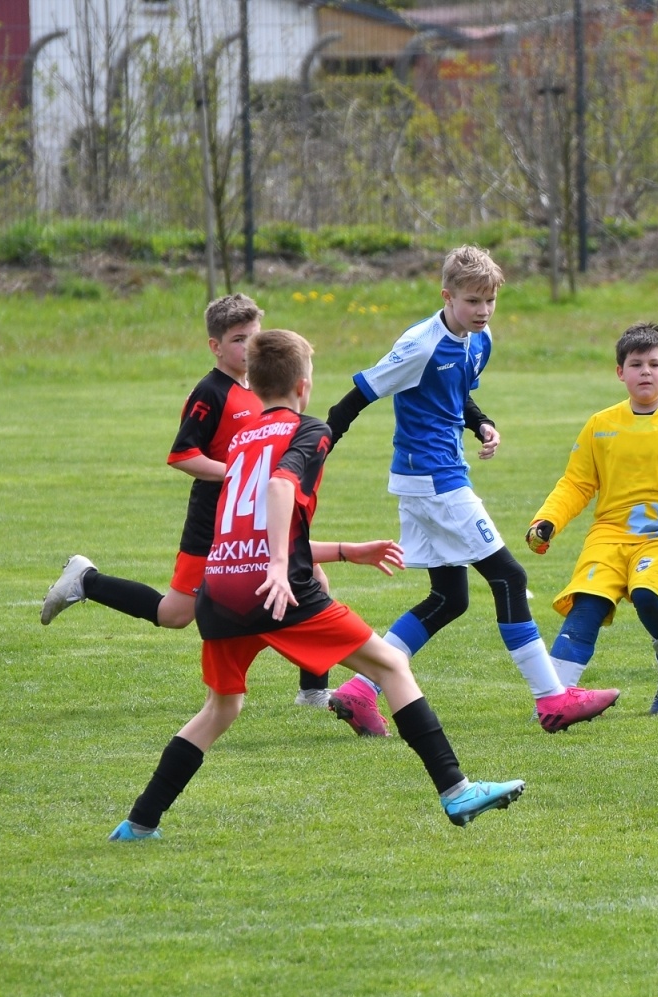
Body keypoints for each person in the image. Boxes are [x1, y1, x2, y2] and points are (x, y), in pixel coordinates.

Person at [108, 329, 525, 841]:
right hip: (273, 588)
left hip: (219, 586)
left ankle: (139, 822)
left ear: (255, 386)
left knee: (220, 709)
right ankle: (456, 790)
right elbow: (282, 488)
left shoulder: (240, 438)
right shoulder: (311, 430)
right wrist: (280, 568)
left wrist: (348, 551)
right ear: (304, 386)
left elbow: (252, 526)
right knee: (391, 664)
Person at [322, 246, 620, 737]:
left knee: (449, 597)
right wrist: (313, 451)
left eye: (490, 301)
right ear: (447, 296)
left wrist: (482, 424)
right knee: (507, 575)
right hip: (434, 481)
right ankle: (552, 700)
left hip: (437, 477)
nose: (482, 310)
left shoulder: (478, 341)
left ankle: (360, 691)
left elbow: (457, 398)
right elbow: (359, 396)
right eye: (472, 301)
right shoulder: (419, 344)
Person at [39, 294, 333, 707]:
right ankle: (86, 580)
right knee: (174, 615)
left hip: (256, 510)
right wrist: (238, 470)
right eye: (238, 340)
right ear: (215, 346)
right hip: (215, 517)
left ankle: (314, 691)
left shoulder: (261, 388)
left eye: (254, 338)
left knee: (313, 578)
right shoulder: (209, 393)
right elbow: (183, 456)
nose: (248, 348)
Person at [525, 322, 658, 715]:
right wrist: (546, 520)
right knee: (586, 605)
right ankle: (553, 699)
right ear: (620, 372)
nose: (646, 371)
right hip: (608, 535)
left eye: (655, 363)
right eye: (636, 364)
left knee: (648, 593)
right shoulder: (601, 425)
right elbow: (576, 484)